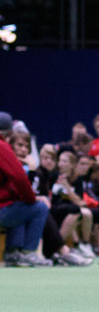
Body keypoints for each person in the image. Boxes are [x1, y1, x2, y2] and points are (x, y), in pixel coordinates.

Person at [0, 111, 51, 266]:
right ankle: (29, 252)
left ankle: (13, 252)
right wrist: (31, 199)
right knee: (39, 208)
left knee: (19, 206)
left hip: (5, 206)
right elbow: (19, 177)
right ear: (9, 132)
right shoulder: (2, 147)